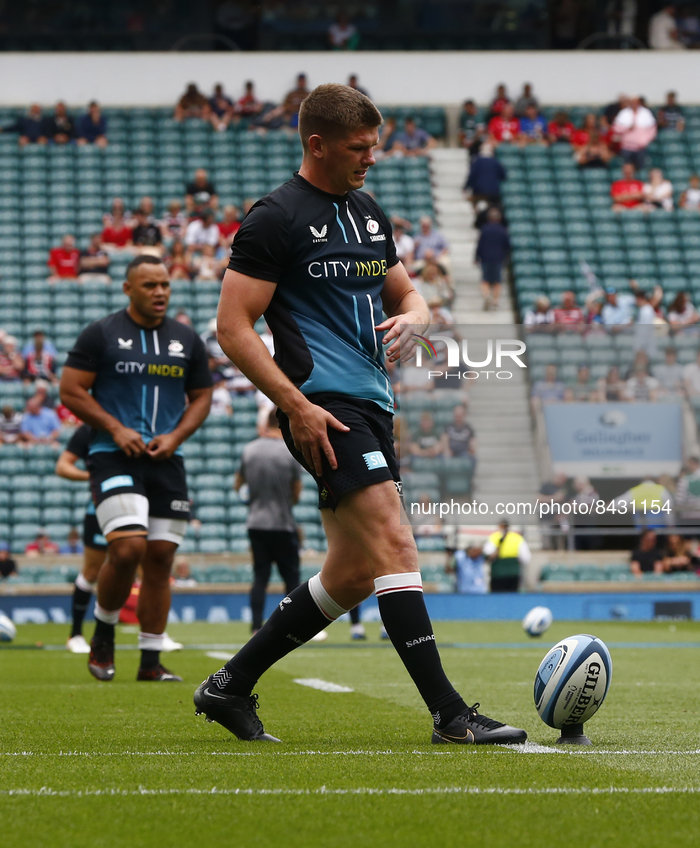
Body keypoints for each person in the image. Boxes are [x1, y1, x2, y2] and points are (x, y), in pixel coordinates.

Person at [194, 83, 526, 746]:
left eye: (374, 146)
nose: (371, 157)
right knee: (397, 543)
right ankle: (449, 715)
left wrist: (419, 317)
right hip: (324, 406)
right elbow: (233, 328)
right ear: (317, 145)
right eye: (359, 147)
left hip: (373, 404)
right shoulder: (275, 217)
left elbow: (407, 292)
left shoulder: (369, 212)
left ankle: (227, 687)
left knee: (351, 573)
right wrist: (296, 407)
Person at [59, 255, 213, 682]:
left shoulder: (187, 340)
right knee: (127, 548)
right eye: (149, 285)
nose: (160, 292)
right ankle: (104, 633)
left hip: (167, 459)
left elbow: (202, 395)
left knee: (161, 557)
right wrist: (114, 427)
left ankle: (150, 661)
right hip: (112, 454)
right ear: (128, 289)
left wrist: (176, 437)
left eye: (164, 284)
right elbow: (70, 390)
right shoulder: (101, 334)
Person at [57, 423, 184, 655]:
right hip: (101, 506)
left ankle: (155, 634)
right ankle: (75, 634)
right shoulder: (91, 430)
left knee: (151, 569)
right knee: (92, 571)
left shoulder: (151, 426)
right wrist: (93, 475)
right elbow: (63, 466)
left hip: (145, 503)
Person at [235, 409, 305, 634]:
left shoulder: (249, 449)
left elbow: (239, 486)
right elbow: (297, 493)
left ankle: (256, 625)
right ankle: (293, 625)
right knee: (291, 578)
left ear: (266, 423)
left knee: (260, 577)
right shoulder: (290, 452)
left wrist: (254, 501)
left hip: (256, 523)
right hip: (283, 524)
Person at [475, 207, 510, 311]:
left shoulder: (484, 229)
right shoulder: (503, 230)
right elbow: (507, 246)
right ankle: (495, 300)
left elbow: (480, 245)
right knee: (497, 281)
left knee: (485, 280)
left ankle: (486, 296)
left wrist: (476, 257)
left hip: (485, 258)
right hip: (498, 258)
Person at [482, 522, 530, 592]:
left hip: (498, 574)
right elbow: (526, 557)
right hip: (512, 574)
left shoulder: (494, 537)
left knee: (498, 597)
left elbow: (487, 553)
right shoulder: (517, 538)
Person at [612, 97, 657, 169]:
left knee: (641, 168)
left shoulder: (646, 113)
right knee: (627, 167)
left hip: (641, 147)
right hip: (627, 147)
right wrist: (627, 129)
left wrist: (645, 140)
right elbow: (616, 128)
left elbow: (652, 129)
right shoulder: (624, 113)